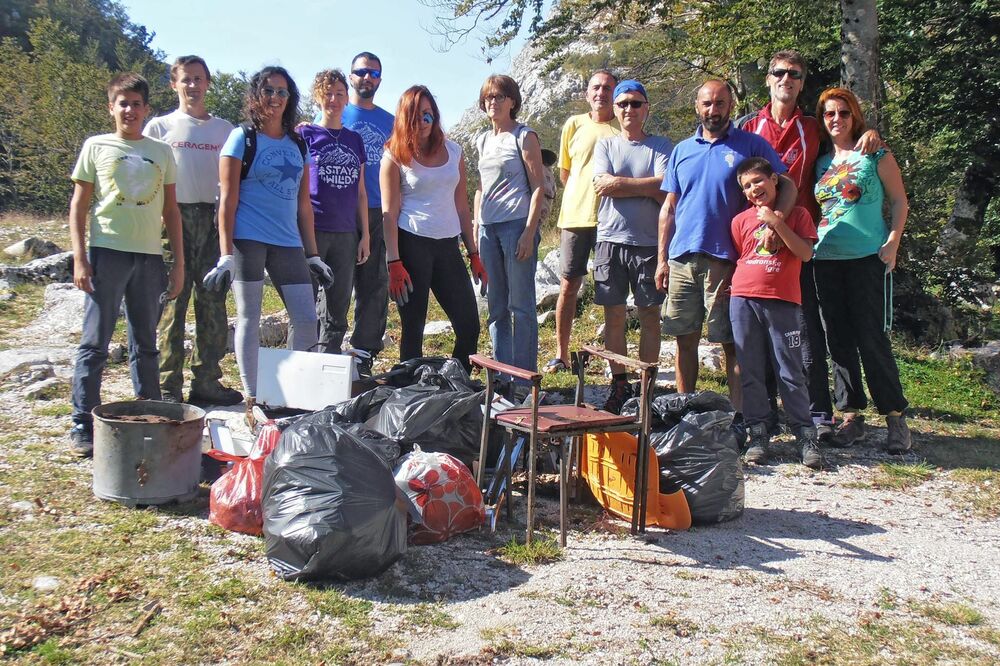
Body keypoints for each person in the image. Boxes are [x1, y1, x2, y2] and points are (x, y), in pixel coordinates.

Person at [739, 50, 882, 439]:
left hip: (803, 240)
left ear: (802, 83)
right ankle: (763, 414)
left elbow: (846, 142)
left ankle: (820, 414)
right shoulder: (748, 126)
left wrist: (870, 135)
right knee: (757, 327)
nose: (787, 79)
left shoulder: (812, 127)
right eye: (779, 72)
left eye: (795, 74)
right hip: (757, 241)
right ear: (768, 79)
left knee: (807, 331)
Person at [655, 79, 798, 414]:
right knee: (684, 338)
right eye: (707, 103)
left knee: (732, 343)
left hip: (729, 258)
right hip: (682, 257)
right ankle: (685, 412)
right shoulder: (682, 149)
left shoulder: (750, 144)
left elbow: (787, 184)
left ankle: (740, 418)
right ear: (697, 106)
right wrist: (661, 258)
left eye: (720, 103)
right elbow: (669, 207)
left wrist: (777, 221)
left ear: (730, 106)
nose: (713, 110)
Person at [203, 66, 333, 424]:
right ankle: (253, 397)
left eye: (282, 92)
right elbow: (226, 200)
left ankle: (295, 391)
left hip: (288, 241)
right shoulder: (241, 138)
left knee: (306, 318)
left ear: (289, 98)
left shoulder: (297, 142)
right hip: (248, 238)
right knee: (250, 316)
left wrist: (314, 255)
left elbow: (304, 204)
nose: (275, 98)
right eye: (268, 91)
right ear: (256, 96)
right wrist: (225, 253)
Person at [67, 73, 183, 456]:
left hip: (149, 257)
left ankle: (148, 413)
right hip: (107, 253)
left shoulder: (161, 151)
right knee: (95, 343)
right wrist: (80, 258)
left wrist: (177, 263)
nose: (129, 110)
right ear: (111, 107)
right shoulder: (96, 146)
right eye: (123, 103)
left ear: (147, 109)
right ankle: (82, 424)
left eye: (136, 104)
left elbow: (171, 210)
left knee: (145, 343)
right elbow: (79, 206)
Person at [812, 87, 911, 452]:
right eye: (829, 114)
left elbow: (900, 200)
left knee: (871, 338)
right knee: (837, 339)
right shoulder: (821, 162)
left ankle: (895, 418)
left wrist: (893, 241)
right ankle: (851, 416)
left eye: (843, 113)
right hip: (825, 260)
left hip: (868, 258)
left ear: (855, 116)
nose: (836, 119)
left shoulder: (875, 153)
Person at [143, 55, 242, 406]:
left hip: (214, 221)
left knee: (213, 303)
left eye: (199, 79)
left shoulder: (225, 129)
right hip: (174, 220)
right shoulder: (159, 127)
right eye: (186, 79)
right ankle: (168, 386)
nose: (193, 86)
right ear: (174, 84)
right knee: (173, 302)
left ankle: (207, 381)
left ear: (208, 83)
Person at [380, 85, 484, 372]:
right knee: (413, 327)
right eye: (415, 116)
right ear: (404, 119)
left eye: (428, 115)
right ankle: (409, 394)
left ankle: (456, 383)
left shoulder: (454, 152)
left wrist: (473, 253)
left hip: (448, 245)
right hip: (411, 245)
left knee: (468, 325)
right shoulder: (393, 155)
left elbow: (462, 207)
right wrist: (394, 262)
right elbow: (389, 212)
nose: (423, 123)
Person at [730, 157, 823, 468]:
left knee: (790, 370)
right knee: (751, 371)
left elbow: (806, 254)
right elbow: (742, 256)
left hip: (783, 301)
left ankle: (805, 435)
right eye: (746, 186)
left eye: (758, 181)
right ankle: (758, 433)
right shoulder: (740, 221)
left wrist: (777, 223)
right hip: (743, 299)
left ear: (773, 180)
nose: (754, 189)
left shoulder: (798, 215)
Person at [591, 80, 672, 413]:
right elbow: (602, 186)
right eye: (622, 104)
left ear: (646, 108)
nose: (628, 109)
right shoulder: (606, 145)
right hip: (611, 240)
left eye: (635, 104)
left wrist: (621, 183)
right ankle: (620, 383)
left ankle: (647, 386)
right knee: (614, 316)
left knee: (650, 315)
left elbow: (666, 189)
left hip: (650, 243)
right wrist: (646, 187)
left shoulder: (662, 145)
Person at [544, 69, 619, 374]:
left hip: (611, 220)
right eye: (596, 88)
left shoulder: (622, 127)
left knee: (611, 291)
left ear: (615, 93)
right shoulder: (573, 125)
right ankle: (561, 355)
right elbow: (565, 173)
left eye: (607, 88)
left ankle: (614, 360)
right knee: (568, 286)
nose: (601, 92)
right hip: (575, 217)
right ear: (587, 93)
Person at [473, 74, 545, 376]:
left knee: (522, 306)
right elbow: (481, 187)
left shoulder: (524, 136)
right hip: (488, 229)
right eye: (489, 97)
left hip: (516, 225)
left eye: (500, 96)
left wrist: (530, 232)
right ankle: (502, 376)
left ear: (512, 101)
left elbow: (538, 185)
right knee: (496, 306)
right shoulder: (482, 139)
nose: (493, 102)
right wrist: (476, 226)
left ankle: (525, 379)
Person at [298, 69, 369, 354]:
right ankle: (301, 362)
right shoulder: (304, 134)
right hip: (313, 229)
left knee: (337, 306)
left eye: (340, 93)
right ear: (318, 97)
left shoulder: (355, 140)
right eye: (328, 93)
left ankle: (328, 362)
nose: (334, 99)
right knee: (304, 304)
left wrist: (364, 235)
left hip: (345, 232)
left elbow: (361, 192)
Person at [342, 52, 395, 376]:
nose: (367, 77)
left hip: (379, 209)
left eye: (373, 73)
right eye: (361, 72)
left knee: (374, 283)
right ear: (351, 77)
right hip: (339, 210)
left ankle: (363, 352)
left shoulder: (390, 121)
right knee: (335, 283)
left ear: (379, 79)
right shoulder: (334, 112)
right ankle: (327, 347)